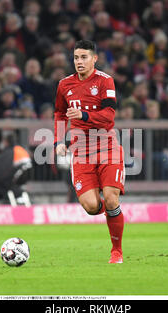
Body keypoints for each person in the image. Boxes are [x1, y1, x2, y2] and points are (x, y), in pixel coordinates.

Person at [54, 40, 125, 264]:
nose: (79, 62)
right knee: (91, 207)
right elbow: (59, 113)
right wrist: (58, 140)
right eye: (76, 57)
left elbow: (109, 116)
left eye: (84, 57)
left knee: (112, 198)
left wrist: (84, 116)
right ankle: (112, 215)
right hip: (81, 149)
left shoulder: (105, 81)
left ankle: (117, 251)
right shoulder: (64, 85)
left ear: (94, 58)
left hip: (106, 145)